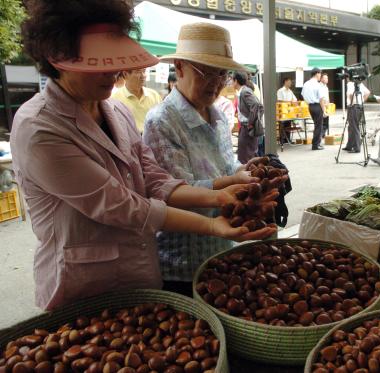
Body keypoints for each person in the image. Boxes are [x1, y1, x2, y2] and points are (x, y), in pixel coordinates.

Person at [12, 1, 276, 310]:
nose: (114, 71)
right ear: (57, 59)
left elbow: (154, 179)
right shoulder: (39, 127)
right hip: (81, 286)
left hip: (140, 274)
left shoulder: (117, 111)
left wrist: (220, 198)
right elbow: (119, 206)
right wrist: (212, 225)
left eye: (114, 60)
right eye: (98, 62)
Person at [143, 23, 271, 293]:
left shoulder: (219, 116)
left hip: (221, 251)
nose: (216, 83)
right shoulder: (162, 120)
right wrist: (232, 180)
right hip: (181, 263)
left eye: (222, 74)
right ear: (179, 67)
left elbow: (227, 166)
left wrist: (246, 171)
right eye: (206, 73)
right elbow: (176, 192)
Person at [112, 68, 162, 133]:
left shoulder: (154, 95)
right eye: (138, 72)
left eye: (144, 71)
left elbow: (162, 119)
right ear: (125, 74)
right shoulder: (115, 98)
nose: (143, 75)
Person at [233, 71, 263, 163]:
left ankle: (251, 174)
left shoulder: (244, 91)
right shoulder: (243, 91)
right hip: (245, 127)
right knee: (247, 154)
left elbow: (257, 105)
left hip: (247, 127)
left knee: (246, 156)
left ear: (236, 81)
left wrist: (251, 122)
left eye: (232, 80)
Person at [301, 68, 326, 150]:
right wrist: (324, 110)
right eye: (320, 74)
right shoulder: (317, 85)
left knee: (316, 125)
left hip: (310, 106)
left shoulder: (306, 84)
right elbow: (321, 99)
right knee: (319, 126)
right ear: (317, 74)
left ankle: (316, 143)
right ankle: (316, 145)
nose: (320, 76)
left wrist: (309, 102)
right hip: (317, 105)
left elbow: (303, 95)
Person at [343, 76, 370, 152]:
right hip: (359, 106)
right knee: (351, 127)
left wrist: (353, 102)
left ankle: (356, 147)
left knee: (354, 127)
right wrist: (361, 101)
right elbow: (368, 92)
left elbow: (351, 94)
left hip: (353, 107)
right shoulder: (359, 84)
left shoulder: (350, 84)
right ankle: (349, 145)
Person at [277, 77, 297, 143]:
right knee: (282, 125)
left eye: (291, 82)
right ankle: (282, 140)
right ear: (285, 82)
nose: (290, 83)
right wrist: (289, 102)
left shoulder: (290, 91)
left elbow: (295, 99)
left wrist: (293, 102)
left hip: (289, 111)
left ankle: (288, 139)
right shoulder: (280, 91)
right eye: (289, 82)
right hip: (282, 111)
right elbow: (279, 101)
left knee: (288, 125)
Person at [320, 73, 330, 138]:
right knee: (322, 122)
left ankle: (322, 134)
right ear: (321, 79)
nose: (327, 79)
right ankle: (320, 135)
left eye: (327, 78)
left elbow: (327, 97)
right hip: (321, 106)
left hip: (326, 106)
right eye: (325, 78)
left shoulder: (326, 87)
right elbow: (321, 98)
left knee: (326, 123)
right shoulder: (319, 86)